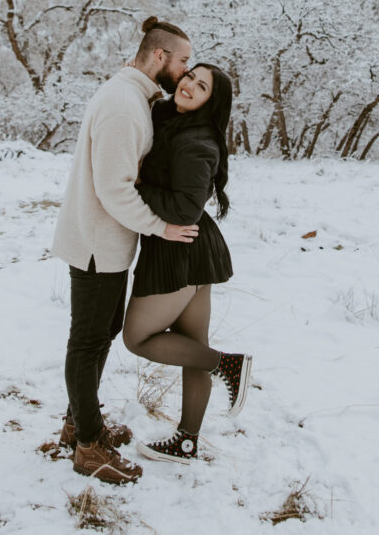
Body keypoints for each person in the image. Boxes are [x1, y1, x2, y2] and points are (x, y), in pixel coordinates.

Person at [51, 17, 199, 486]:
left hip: (106, 243)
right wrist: (161, 227)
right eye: (182, 61)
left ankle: (80, 424)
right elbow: (114, 190)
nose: (185, 70)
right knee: (89, 340)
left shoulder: (133, 96)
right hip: (98, 243)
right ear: (160, 57)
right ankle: (88, 446)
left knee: (104, 331)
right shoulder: (122, 106)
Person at [122, 63, 252, 464]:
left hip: (181, 247)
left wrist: (140, 186)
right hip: (192, 246)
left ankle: (228, 365)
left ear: (213, 101)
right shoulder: (169, 118)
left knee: (136, 337)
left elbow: (185, 208)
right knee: (192, 347)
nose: (190, 87)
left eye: (202, 86)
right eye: (189, 77)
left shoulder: (198, 141)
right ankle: (187, 441)